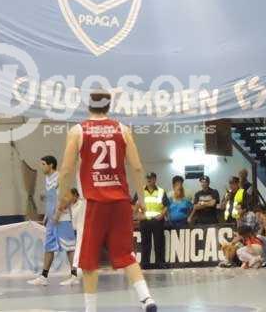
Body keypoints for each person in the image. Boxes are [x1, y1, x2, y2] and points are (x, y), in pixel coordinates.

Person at [56, 90, 157, 312]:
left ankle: (90, 309)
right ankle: (146, 298)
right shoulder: (123, 130)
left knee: (89, 260)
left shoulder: (78, 131)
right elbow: (137, 167)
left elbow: (66, 169)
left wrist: (62, 197)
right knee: (126, 254)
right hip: (120, 202)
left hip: (93, 202)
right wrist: (141, 198)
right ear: (109, 107)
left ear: (88, 106)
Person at [28, 155, 79, 286]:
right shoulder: (47, 179)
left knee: (69, 247)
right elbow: (52, 199)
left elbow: (67, 197)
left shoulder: (60, 178)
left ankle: (74, 275)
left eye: (43, 164)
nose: (41, 167)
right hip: (51, 220)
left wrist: (58, 214)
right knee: (49, 247)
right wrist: (47, 215)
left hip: (63, 219)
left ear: (51, 165)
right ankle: (43, 276)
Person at [134, 172, 169, 269]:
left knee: (159, 243)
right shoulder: (140, 191)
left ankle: (160, 263)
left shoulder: (161, 191)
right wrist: (138, 215)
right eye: (148, 178)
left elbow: (166, 205)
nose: (149, 180)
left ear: (155, 179)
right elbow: (133, 205)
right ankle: (145, 264)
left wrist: (162, 215)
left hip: (157, 221)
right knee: (145, 243)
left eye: (151, 178)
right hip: (145, 221)